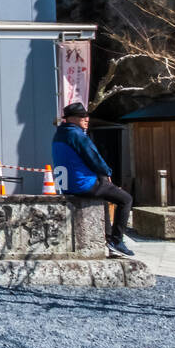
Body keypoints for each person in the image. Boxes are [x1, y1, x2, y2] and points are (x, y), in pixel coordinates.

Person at [52, 102, 135, 257]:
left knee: (104, 197)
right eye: (82, 116)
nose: (86, 118)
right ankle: (117, 241)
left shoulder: (59, 134)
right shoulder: (76, 135)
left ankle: (109, 240)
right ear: (71, 119)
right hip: (83, 184)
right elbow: (94, 158)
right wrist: (107, 172)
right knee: (125, 199)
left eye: (86, 115)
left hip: (66, 185)